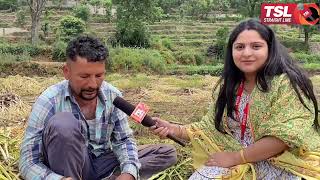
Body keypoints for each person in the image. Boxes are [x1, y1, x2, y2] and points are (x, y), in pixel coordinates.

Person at [151, 19, 320, 179]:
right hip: (233, 154)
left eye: (256, 46)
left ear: (269, 49)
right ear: (231, 51)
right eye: (239, 47)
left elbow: (284, 137)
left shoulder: (287, 84)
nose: (246, 53)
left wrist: (237, 157)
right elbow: (208, 127)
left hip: (279, 160)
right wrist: (175, 129)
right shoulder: (230, 86)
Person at [19, 35, 177, 180]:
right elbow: (28, 162)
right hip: (66, 169)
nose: (93, 85)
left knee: (166, 153)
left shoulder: (112, 95)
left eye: (99, 76)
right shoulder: (49, 100)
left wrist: (129, 173)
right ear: (67, 72)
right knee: (63, 124)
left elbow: (123, 140)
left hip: (102, 162)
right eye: (84, 76)